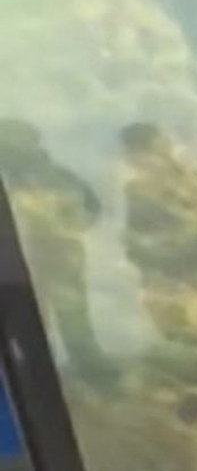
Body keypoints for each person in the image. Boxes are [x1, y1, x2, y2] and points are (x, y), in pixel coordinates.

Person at [0, 120, 111, 381]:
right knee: (36, 324)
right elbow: (92, 207)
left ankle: (80, 372)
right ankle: (43, 376)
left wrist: (68, 229)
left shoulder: (53, 174)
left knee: (67, 319)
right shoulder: (45, 173)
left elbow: (91, 206)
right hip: (22, 268)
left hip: (51, 259)